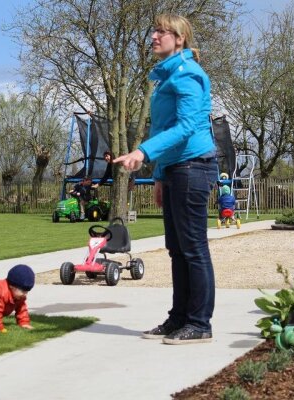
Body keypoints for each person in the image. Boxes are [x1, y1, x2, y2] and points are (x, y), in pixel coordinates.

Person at [113, 14, 218, 345]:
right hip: (175, 171)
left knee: (193, 249)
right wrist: (159, 175)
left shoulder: (187, 76)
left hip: (193, 168)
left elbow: (186, 127)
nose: (154, 36)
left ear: (180, 39)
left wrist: (142, 153)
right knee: (176, 249)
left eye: (162, 31)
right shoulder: (167, 78)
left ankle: (200, 323)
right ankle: (178, 319)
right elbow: (162, 129)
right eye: (154, 31)